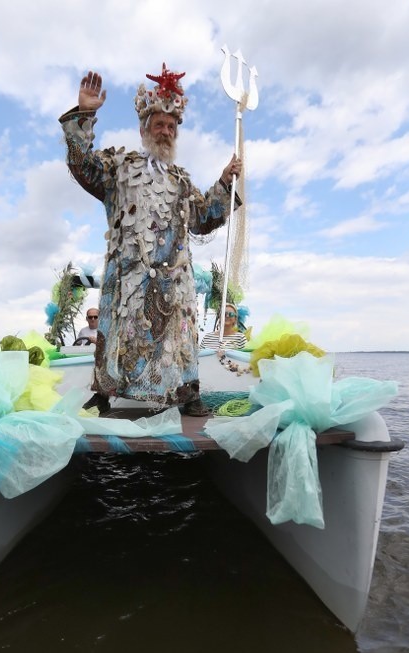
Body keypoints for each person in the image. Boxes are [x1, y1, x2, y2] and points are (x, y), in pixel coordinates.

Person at [60, 66, 242, 416]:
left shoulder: (180, 182)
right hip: (128, 279)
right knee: (118, 334)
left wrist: (223, 181)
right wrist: (85, 113)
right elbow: (83, 167)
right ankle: (103, 394)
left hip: (173, 281)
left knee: (180, 337)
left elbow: (203, 219)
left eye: (171, 126)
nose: (165, 131)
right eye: (159, 124)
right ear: (144, 128)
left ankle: (188, 395)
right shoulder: (119, 168)